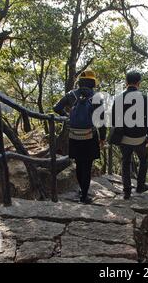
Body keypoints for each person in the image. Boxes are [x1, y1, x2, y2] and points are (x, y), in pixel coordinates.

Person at [53, 70, 106, 204]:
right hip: (90, 135)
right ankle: (84, 195)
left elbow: (56, 107)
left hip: (74, 135)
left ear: (80, 82)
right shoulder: (96, 97)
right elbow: (101, 120)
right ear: (93, 82)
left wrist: (68, 117)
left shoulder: (71, 95)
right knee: (87, 165)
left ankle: (82, 191)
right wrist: (102, 138)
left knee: (78, 164)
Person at [112, 71, 148, 200]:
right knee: (144, 159)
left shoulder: (119, 98)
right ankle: (140, 186)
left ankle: (127, 191)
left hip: (124, 138)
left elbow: (113, 119)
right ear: (138, 83)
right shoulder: (144, 98)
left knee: (125, 162)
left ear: (126, 82)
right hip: (140, 138)